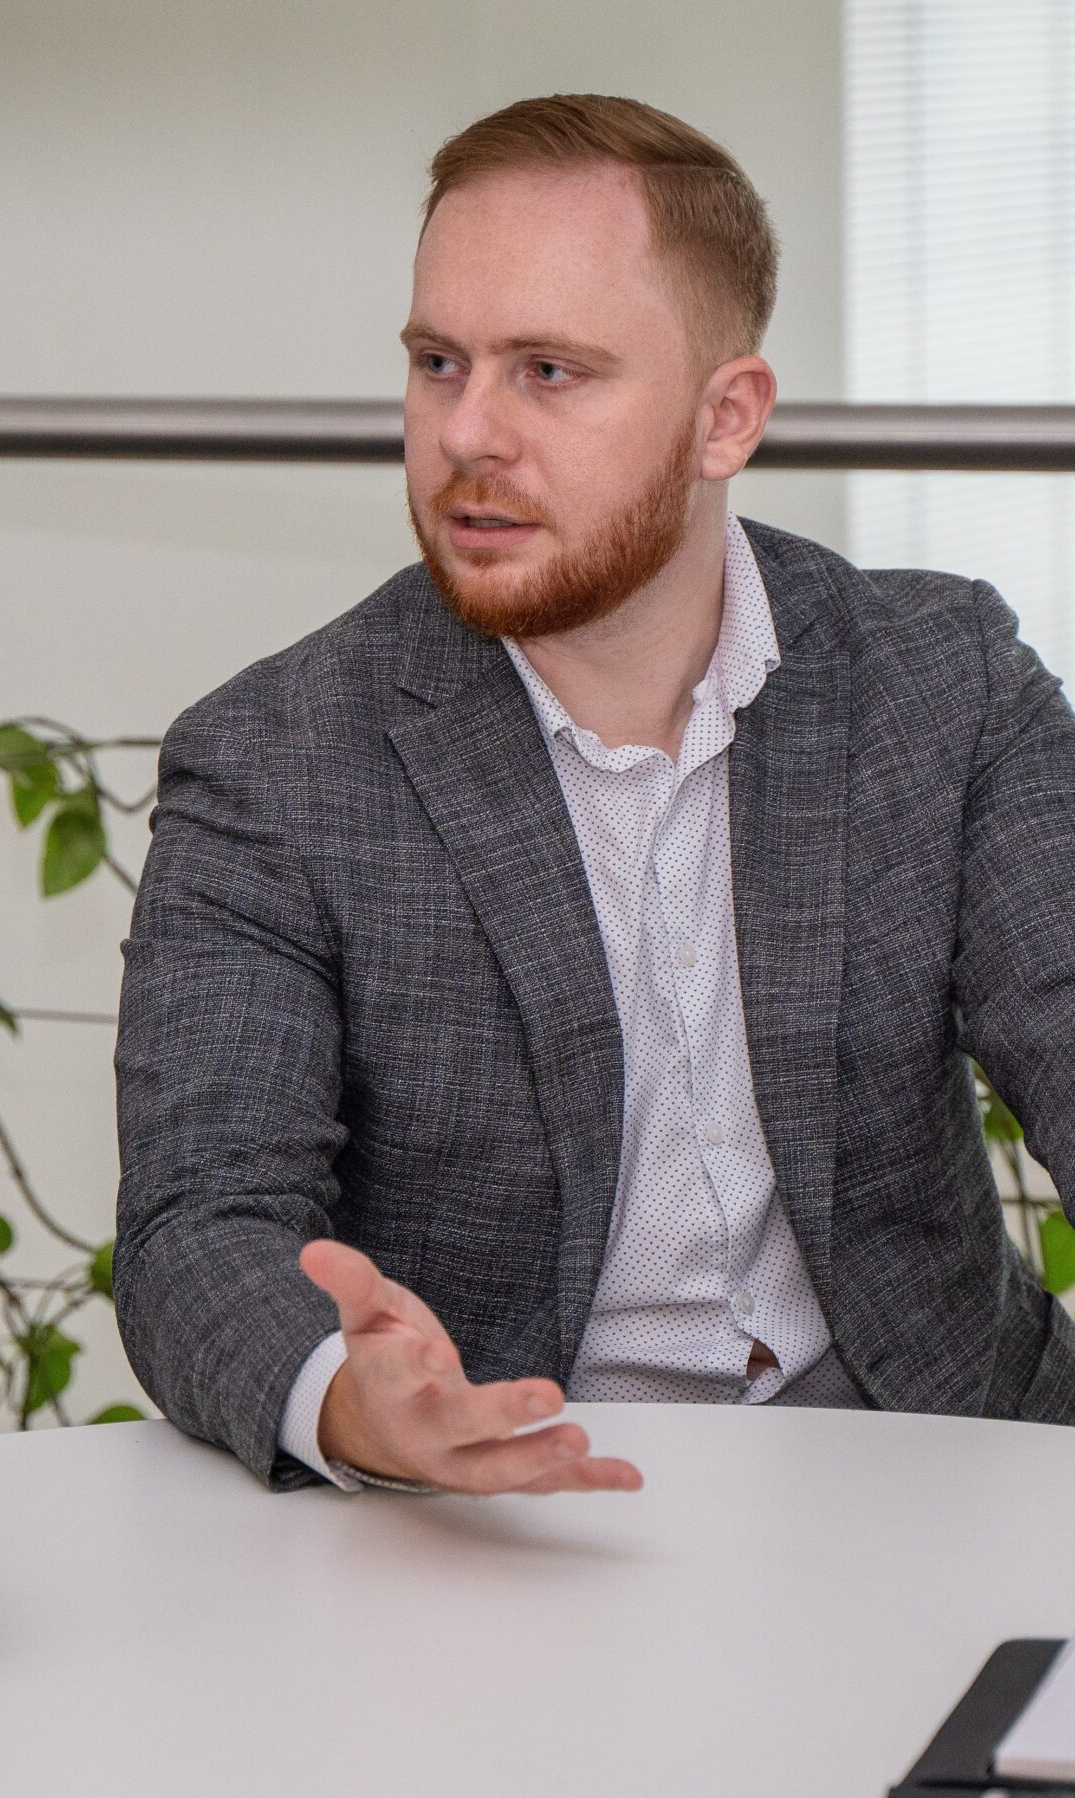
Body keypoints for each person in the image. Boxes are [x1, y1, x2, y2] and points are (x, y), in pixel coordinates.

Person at [113, 92, 1075, 1497]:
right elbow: (199, 1225)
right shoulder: (276, 763)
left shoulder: (943, 678)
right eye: (439, 363)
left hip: (941, 1450)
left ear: (725, 417)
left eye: (550, 372)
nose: (467, 433)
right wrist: (353, 1401)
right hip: (513, 1501)